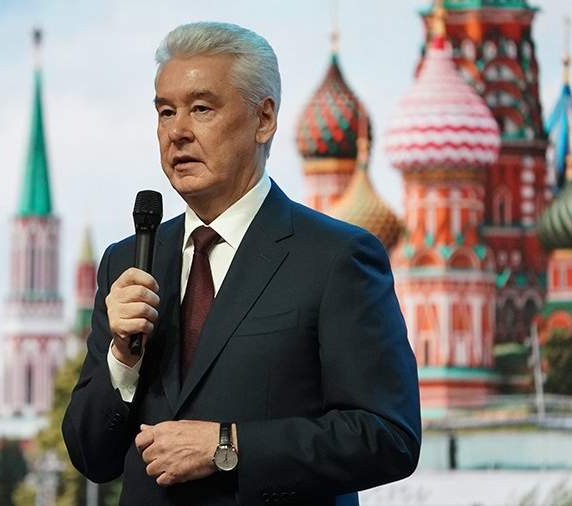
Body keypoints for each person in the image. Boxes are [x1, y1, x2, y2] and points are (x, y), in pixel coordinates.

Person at [62, 21, 420, 506]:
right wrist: (122, 360)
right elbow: (91, 456)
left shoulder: (336, 257)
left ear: (263, 119)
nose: (177, 132)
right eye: (165, 112)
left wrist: (227, 446)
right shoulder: (128, 262)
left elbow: (388, 437)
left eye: (201, 109)